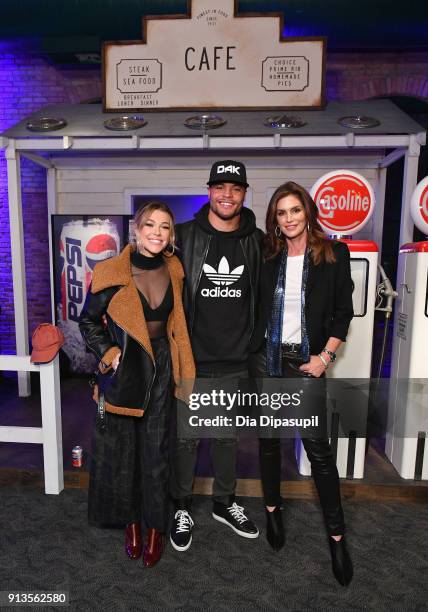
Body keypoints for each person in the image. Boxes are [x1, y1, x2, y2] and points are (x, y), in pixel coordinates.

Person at [249, 181, 354, 586]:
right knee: (268, 441)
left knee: (319, 452)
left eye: (295, 210)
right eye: (281, 213)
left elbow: (343, 312)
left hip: (307, 362)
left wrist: (325, 357)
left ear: (307, 211)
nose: (289, 219)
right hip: (266, 359)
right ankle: (272, 511)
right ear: (274, 219)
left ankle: (337, 538)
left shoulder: (333, 253)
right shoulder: (268, 254)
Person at [79, 201, 195, 567]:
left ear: (170, 234)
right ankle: (132, 524)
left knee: (157, 451)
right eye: (150, 225)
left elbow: (178, 323)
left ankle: (156, 528)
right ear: (136, 229)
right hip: (127, 365)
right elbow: (88, 322)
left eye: (165, 226)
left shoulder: (175, 268)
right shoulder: (111, 270)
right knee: (126, 453)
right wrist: (108, 349)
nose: (157, 232)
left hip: (162, 363)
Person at [169, 160, 263, 551]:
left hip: (236, 359)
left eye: (235, 188)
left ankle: (224, 502)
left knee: (227, 439)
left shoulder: (257, 241)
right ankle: (181, 505)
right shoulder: (185, 237)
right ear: (208, 190)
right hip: (193, 359)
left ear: (243, 194)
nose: (227, 195)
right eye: (220, 187)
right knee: (187, 440)